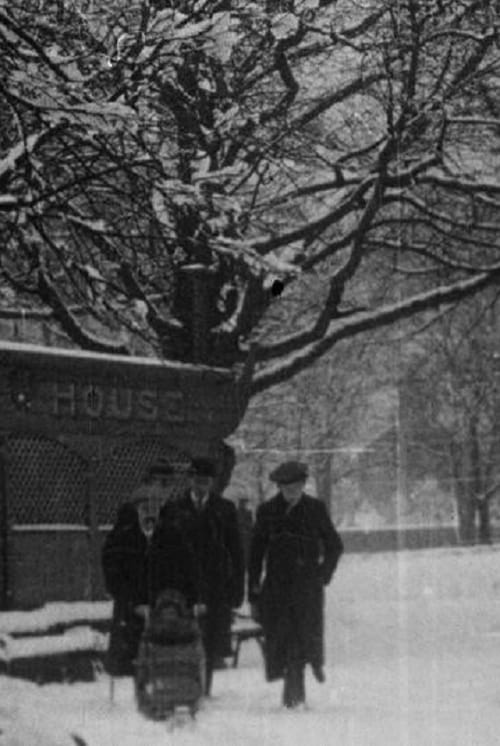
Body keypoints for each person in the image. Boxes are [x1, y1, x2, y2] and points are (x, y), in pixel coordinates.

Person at [248, 460, 343, 709]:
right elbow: (255, 552)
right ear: (279, 487)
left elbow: (334, 545)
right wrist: (254, 587)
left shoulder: (315, 509)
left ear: (303, 485)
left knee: (302, 639)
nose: (290, 491)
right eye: (285, 487)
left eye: (295, 486)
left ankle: (295, 693)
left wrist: (323, 574)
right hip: (276, 589)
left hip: (306, 589)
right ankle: (293, 687)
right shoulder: (267, 511)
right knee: (281, 639)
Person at [101, 461, 197, 676]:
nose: (163, 491)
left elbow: (186, 565)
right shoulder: (126, 522)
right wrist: (126, 596)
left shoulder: (174, 522)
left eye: (167, 485)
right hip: (132, 602)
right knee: (130, 662)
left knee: (162, 661)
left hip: (165, 603)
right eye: (158, 483)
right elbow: (112, 563)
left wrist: (184, 598)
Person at [174, 457, 245, 696]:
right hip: (183, 585)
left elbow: (236, 551)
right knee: (185, 638)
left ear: (212, 483)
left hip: (216, 586)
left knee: (210, 640)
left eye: (205, 481)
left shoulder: (225, 510)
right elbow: (165, 551)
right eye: (196, 480)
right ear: (190, 480)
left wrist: (237, 589)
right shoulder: (175, 509)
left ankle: (205, 688)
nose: (200, 486)